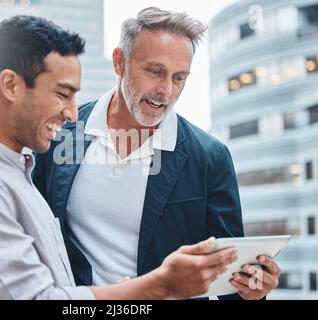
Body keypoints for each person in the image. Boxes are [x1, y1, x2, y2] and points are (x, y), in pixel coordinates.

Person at [0, 15, 237, 300]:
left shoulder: (16, 168)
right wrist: (160, 285)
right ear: (11, 85)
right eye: (62, 93)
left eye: (179, 77)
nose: (70, 113)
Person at [32, 7, 281, 300]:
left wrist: (254, 291)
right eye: (154, 71)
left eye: (179, 78)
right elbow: (35, 235)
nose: (166, 90)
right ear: (119, 62)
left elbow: (230, 280)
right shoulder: (62, 133)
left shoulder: (210, 158)